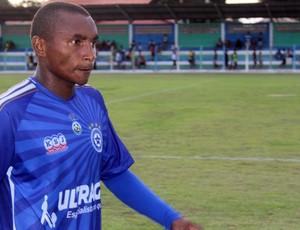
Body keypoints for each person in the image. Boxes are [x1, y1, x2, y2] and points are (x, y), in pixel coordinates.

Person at [0, 2, 202, 230]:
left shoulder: (92, 101)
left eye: (93, 43)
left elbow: (114, 172)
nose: (90, 54)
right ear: (40, 46)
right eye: (76, 42)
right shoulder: (11, 112)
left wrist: (172, 219)